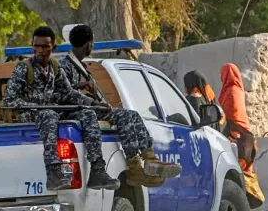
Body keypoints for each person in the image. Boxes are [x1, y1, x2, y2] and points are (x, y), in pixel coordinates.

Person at [58, 24, 181, 187]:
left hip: (89, 108)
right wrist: (92, 101)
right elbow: (66, 94)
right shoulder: (64, 66)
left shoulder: (81, 66)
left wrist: (99, 101)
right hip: (74, 111)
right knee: (105, 114)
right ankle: (133, 168)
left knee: (130, 115)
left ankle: (146, 159)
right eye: (92, 44)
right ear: (89, 45)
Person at [3, 26, 119, 191]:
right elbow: (10, 101)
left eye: (45, 47)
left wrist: (92, 103)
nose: (40, 51)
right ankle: (53, 172)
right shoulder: (24, 68)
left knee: (87, 113)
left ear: (53, 48)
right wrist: (36, 107)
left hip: (52, 112)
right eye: (37, 46)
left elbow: (69, 93)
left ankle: (97, 170)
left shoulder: (54, 67)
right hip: (29, 113)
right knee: (49, 114)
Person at [219, 63, 265, 208]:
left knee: (236, 176)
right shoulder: (238, 90)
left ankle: (241, 206)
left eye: (223, 73)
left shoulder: (231, 92)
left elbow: (230, 116)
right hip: (245, 138)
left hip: (238, 139)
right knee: (242, 175)